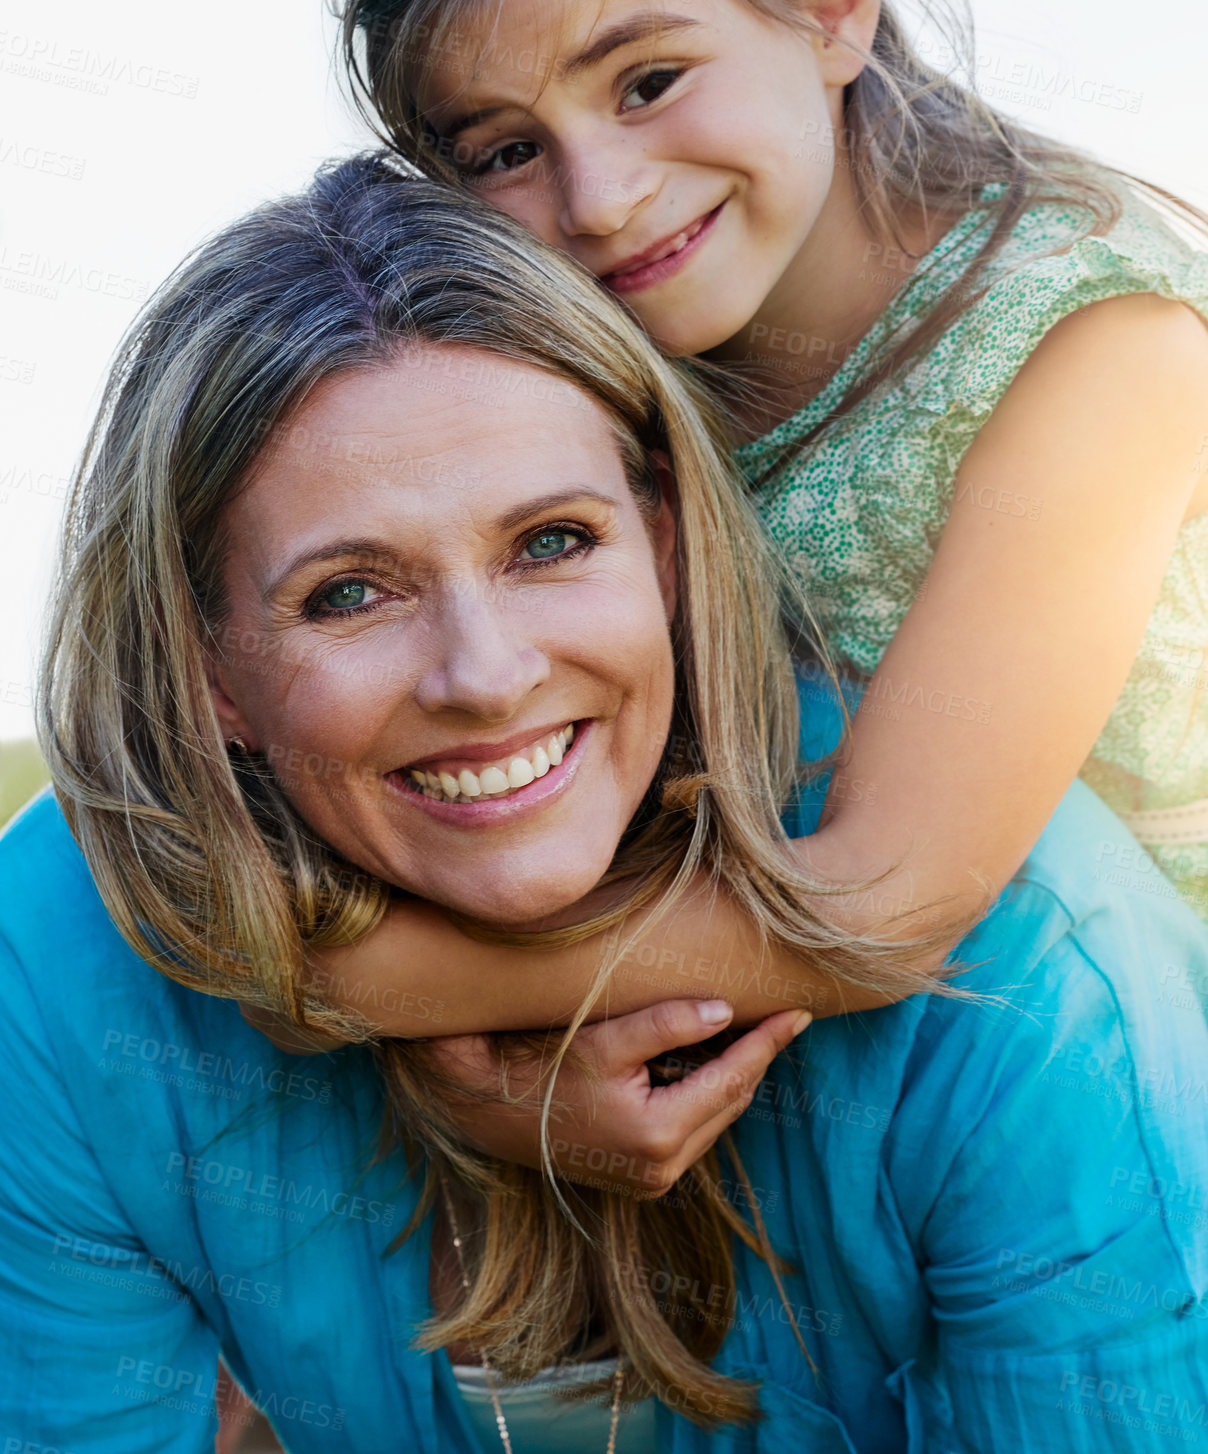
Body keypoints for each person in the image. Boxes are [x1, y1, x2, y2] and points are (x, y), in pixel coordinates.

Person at [5, 157, 1207, 1453]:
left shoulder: (1031, 973)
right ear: (211, 676)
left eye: (552, 541)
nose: (486, 675)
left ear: (670, 551)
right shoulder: (63, 960)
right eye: (348, 592)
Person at [333, 0, 1208, 932]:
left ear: (830, 7)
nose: (599, 199)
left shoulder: (1096, 340)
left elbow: (888, 898)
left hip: (1115, 1040)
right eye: (507, 151)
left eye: (646, 82)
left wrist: (359, 985)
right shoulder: (567, 380)